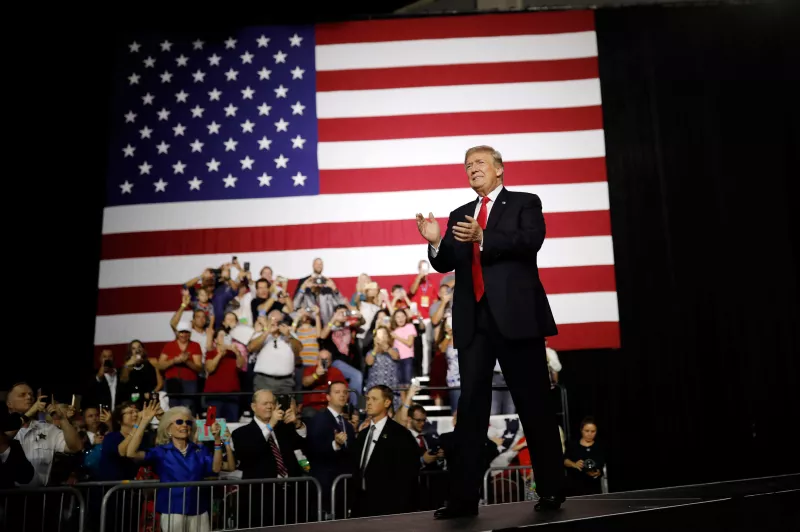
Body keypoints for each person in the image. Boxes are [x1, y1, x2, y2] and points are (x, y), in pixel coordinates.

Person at [416, 145, 565, 518]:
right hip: (474, 323)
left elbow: (531, 241)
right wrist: (435, 240)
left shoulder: (524, 202)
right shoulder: (459, 214)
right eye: (467, 165)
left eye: (479, 163)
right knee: (470, 412)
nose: (472, 169)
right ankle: (463, 500)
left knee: (534, 405)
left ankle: (550, 491)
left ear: (499, 169)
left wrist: (484, 236)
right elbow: (447, 259)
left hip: (517, 320)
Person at [126, 402, 234, 532]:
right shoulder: (161, 451)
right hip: (172, 511)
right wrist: (143, 422)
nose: (184, 425)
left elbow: (216, 469)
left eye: (188, 423)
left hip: (199, 509)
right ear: (168, 429)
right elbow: (131, 453)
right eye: (179, 422)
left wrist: (218, 440)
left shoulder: (199, 450)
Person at [350, 385, 420, 518]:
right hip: (362, 508)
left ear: (387, 402)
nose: (369, 402)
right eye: (368, 399)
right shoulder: (362, 434)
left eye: (374, 399)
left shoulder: (400, 435)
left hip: (389, 510)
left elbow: (408, 474)